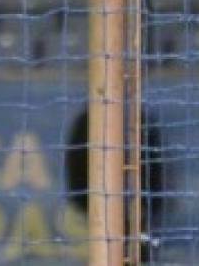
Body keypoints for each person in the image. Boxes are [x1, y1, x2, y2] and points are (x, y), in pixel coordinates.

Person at [64, 106, 166, 260]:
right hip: (96, 209)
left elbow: (155, 174)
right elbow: (76, 172)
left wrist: (142, 208)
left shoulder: (139, 121)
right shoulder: (88, 122)